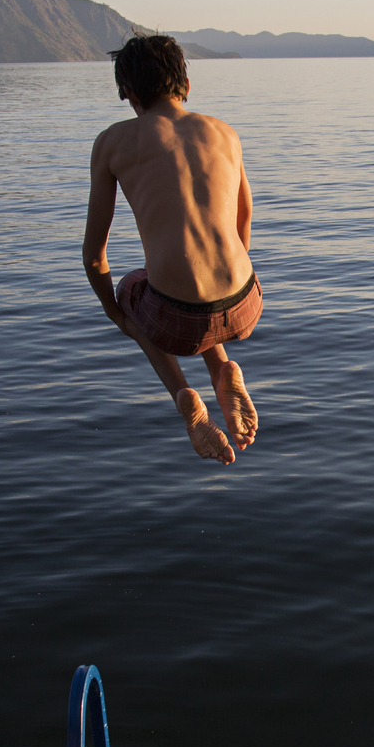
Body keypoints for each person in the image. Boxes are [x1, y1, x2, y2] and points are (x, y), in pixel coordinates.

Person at [83, 34, 261, 464]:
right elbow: (244, 220)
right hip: (245, 303)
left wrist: (116, 314)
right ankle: (223, 367)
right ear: (185, 80)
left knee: (132, 287)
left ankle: (185, 395)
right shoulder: (224, 132)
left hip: (175, 323)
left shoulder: (113, 142)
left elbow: (94, 255)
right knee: (192, 298)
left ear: (127, 93)